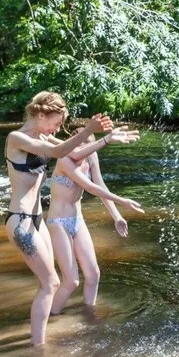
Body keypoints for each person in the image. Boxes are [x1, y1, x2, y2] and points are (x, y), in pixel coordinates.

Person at [4, 91, 130, 346]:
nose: (58, 129)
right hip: (20, 220)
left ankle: (38, 340)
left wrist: (106, 139)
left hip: (37, 220)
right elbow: (60, 150)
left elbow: (74, 152)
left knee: (51, 282)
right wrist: (90, 129)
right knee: (51, 283)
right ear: (41, 115)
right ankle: (38, 349)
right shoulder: (16, 138)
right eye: (57, 122)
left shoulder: (43, 136)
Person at [47, 130, 144, 315]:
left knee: (93, 275)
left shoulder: (92, 156)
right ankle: (50, 318)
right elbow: (90, 187)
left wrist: (116, 216)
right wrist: (122, 201)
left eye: (87, 145)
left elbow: (100, 185)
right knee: (71, 282)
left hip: (77, 220)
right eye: (79, 144)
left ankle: (88, 316)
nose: (82, 149)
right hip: (58, 222)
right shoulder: (64, 159)